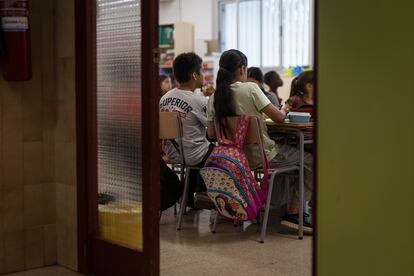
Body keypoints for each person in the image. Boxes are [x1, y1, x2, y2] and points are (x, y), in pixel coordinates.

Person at [207, 49, 313, 233]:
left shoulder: (214, 97)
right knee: (310, 160)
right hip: (261, 156)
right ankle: (294, 213)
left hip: (233, 161)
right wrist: (285, 109)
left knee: (291, 163)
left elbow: (211, 135)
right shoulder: (250, 89)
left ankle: (271, 205)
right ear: (242, 69)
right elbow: (279, 117)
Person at [160, 52, 215, 210]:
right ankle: (204, 193)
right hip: (192, 154)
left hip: (172, 152)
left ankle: (187, 196)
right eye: (202, 71)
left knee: (198, 148)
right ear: (194, 75)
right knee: (218, 151)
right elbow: (213, 128)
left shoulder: (164, 98)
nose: (204, 75)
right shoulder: (198, 100)